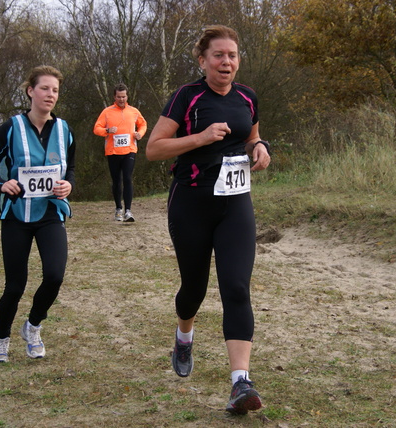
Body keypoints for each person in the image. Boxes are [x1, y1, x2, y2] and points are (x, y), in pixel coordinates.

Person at [145, 25, 271, 415]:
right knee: (194, 289)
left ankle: (240, 383)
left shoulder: (247, 96)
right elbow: (153, 148)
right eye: (219, 55)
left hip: (235, 204)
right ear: (203, 60)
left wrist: (260, 147)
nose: (226, 62)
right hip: (192, 204)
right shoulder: (187, 96)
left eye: (232, 55)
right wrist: (199, 138)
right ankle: (184, 336)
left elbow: (250, 135)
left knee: (236, 286)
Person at [0, 65, 76, 363]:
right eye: (45, 88)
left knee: (55, 275)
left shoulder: (64, 129)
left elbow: (70, 168)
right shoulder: (11, 128)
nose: (50, 94)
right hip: (17, 217)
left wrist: (68, 185)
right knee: (15, 284)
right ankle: (1, 338)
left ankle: (33, 326)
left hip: (50, 213)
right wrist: (2, 184)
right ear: (30, 91)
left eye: (55, 90)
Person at [93, 83, 147, 222]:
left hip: (129, 150)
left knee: (128, 178)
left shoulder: (134, 111)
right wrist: (107, 131)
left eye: (123, 97)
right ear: (114, 97)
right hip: (113, 151)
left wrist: (139, 134)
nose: (121, 99)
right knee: (117, 180)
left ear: (127, 96)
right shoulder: (107, 111)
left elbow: (143, 124)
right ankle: (118, 208)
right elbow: (96, 128)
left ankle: (128, 211)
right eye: (118, 97)